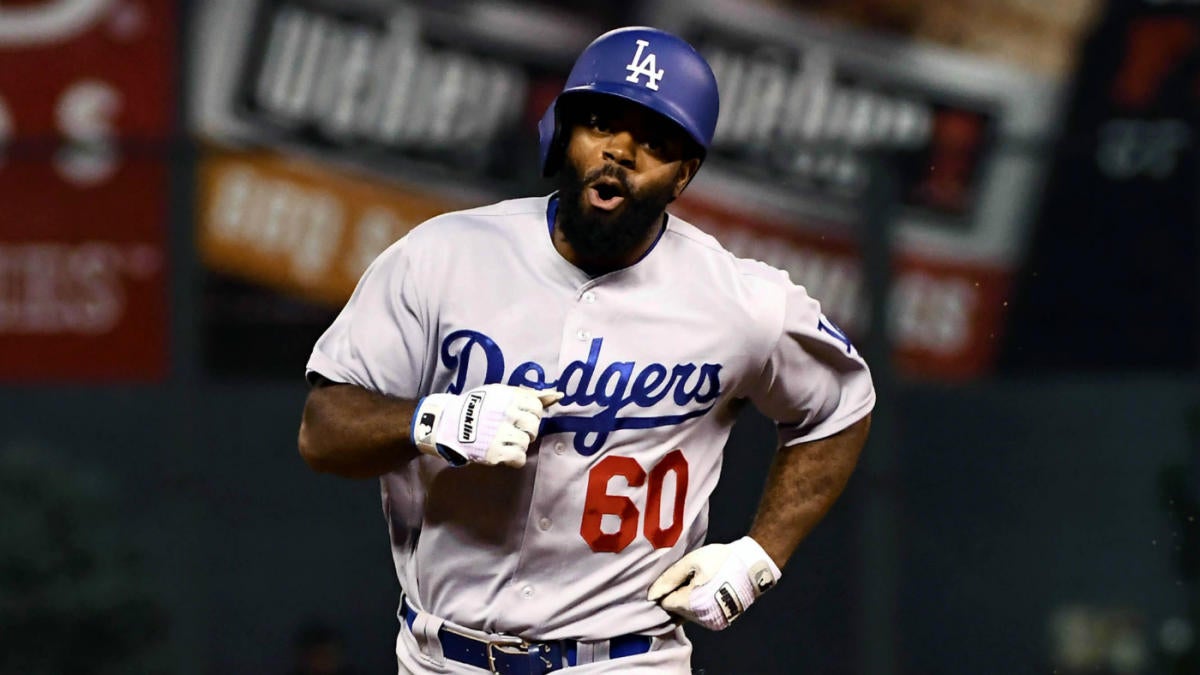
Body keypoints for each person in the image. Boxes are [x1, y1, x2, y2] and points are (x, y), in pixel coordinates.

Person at [298, 26, 874, 674]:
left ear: (684, 174)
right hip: (442, 657)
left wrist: (761, 554)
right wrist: (431, 420)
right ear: (562, 133)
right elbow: (323, 431)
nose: (621, 152)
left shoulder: (738, 301)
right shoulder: (441, 257)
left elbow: (842, 401)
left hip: (627, 660)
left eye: (655, 141)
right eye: (602, 123)